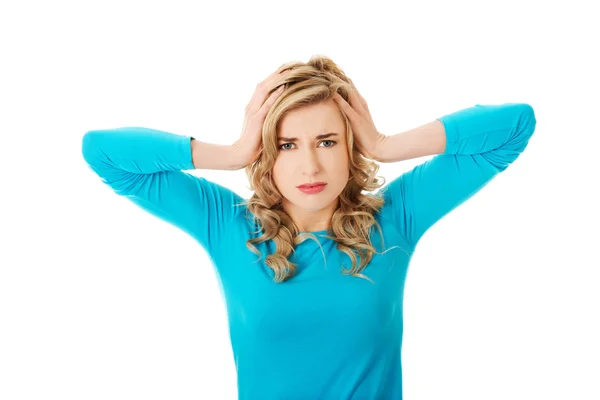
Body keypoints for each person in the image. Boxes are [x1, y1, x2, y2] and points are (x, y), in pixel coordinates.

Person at [81, 55, 537, 399]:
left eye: (327, 140)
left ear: (348, 145)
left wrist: (384, 143)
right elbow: (102, 152)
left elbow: (515, 126)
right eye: (286, 145)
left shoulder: (394, 219)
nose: (311, 164)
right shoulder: (225, 224)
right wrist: (234, 152)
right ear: (267, 153)